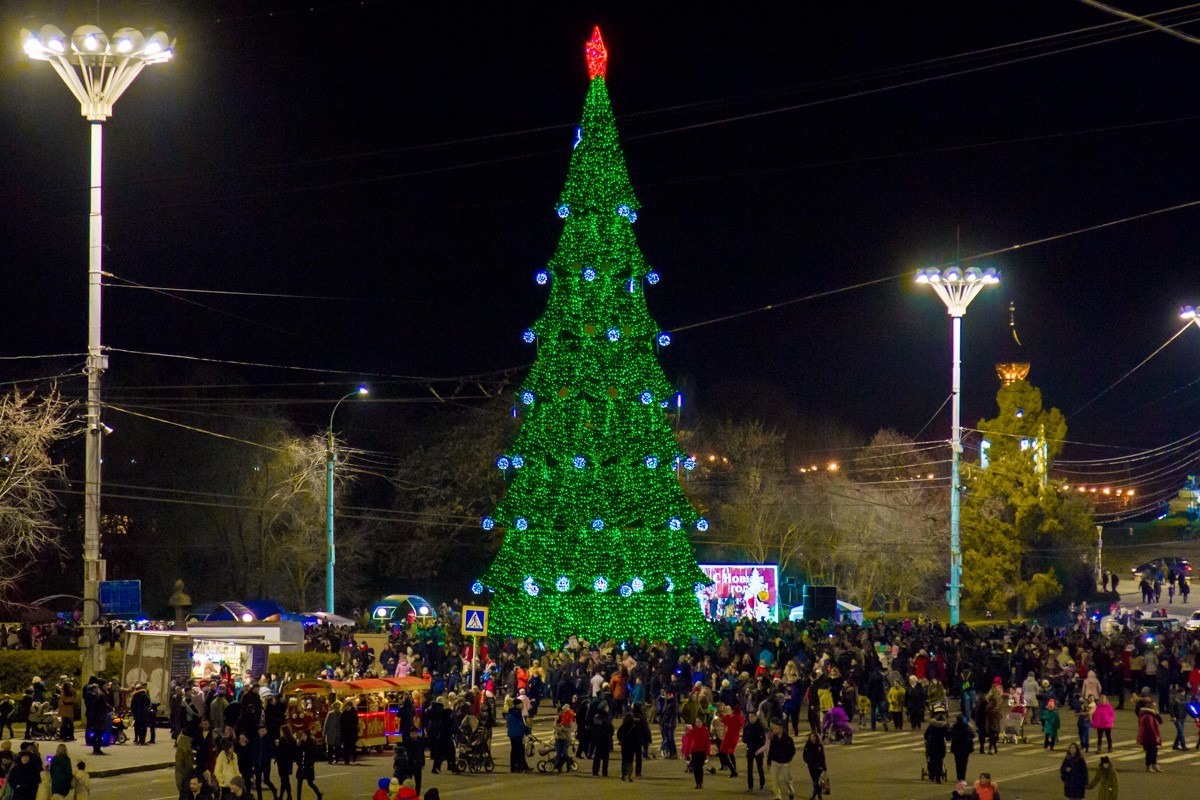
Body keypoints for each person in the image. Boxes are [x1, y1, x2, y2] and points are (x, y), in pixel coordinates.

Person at [761, 719, 794, 800]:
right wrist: (768, 762)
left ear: (781, 729)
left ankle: (791, 791)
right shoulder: (773, 739)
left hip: (785, 763)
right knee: (774, 781)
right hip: (775, 762)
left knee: (787, 780)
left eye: (776, 728)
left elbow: (792, 751)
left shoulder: (788, 739)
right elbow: (771, 751)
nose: (774, 730)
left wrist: (787, 758)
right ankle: (777, 797)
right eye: (773, 728)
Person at [743, 710, 767, 792]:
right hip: (750, 749)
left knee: (760, 767)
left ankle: (762, 783)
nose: (750, 718)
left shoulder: (760, 727)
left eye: (752, 716)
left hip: (758, 750)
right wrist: (747, 740)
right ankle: (750, 786)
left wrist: (759, 748)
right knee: (749, 769)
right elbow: (744, 738)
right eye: (749, 717)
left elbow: (763, 739)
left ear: (756, 717)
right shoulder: (747, 726)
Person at [295, 730, 322, 800]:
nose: (303, 737)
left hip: (308, 766)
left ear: (307, 736)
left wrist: (310, 763)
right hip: (301, 766)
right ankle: (298, 798)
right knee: (299, 782)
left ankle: (318, 794)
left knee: (310, 783)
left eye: (304, 735)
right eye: (302, 736)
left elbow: (315, 755)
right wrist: (298, 762)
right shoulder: (300, 744)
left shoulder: (311, 744)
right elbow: (297, 754)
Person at [683, 719, 710, 789]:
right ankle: (697, 783)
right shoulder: (693, 730)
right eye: (696, 722)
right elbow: (689, 741)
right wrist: (687, 752)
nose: (697, 724)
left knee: (700, 767)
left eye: (699, 722)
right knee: (695, 768)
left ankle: (700, 782)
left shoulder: (705, 731)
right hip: (695, 751)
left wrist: (707, 753)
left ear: (702, 722)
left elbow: (707, 743)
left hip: (702, 752)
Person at [1136, 701, 1162, 772]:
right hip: (1149, 737)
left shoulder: (1151, 714)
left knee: (1154, 750)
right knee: (1150, 751)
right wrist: (1156, 736)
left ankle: (1154, 765)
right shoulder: (1148, 716)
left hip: (1150, 736)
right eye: (1154, 706)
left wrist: (1157, 713)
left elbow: (1160, 721)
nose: (1155, 707)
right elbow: (1150, 728)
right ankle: (1149, 766)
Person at [801, 731, 826, 800]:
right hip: (811, 766)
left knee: (816, 781)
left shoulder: (819, 745)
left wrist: (824, 767)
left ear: (816, 737)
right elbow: (804, 755)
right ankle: (817, 795)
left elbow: (822, 756)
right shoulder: (808, 745)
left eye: (814, 736)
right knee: (815, 781)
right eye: (811, 736)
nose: (812, 738)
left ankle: (815, 795)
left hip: (818, 766)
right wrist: (808, 761)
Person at [616, 711, 637, 781]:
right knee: (630, 761)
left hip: (625, 745)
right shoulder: (634, 726)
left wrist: (621, 739)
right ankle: (630, 776)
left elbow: (618, 734)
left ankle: (623, 775)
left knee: (624, 760)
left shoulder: (623, 725)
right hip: (632, 745)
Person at [276, 726, 295, 800]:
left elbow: (281, 752)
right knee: (284, 780)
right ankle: (282, 796)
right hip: (286, 763)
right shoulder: (290, 740)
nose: (280, 732)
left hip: (283, 763)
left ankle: (289, 796)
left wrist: (277, 747)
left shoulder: (284, 740)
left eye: (281, 731)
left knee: (285, 780)